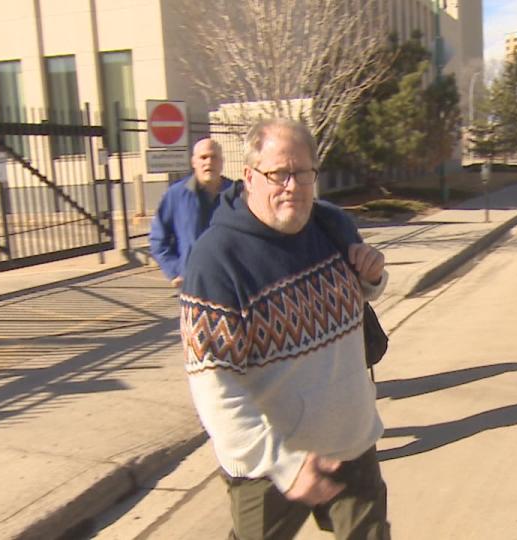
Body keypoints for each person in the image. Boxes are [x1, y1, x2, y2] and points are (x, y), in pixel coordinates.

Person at [179, 118, 390, 540]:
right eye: (279, 173)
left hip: (351, 444)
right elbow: (214, 388)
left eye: (304, 173)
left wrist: (372, 278)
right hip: (269, 466)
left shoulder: (331, 224)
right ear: (249, 176)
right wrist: (284, 466)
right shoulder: (216, 261)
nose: (292, 186)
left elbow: (359, 297)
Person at [149, 138, 233, 289]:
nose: (208, 162)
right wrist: (175, 270)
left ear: (222, 162)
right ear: (194, 162)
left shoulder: (238, 195)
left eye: (214, 157)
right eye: (203, 157)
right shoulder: (176, 195)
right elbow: (158, 239)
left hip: (232, 281)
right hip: (193, 284)